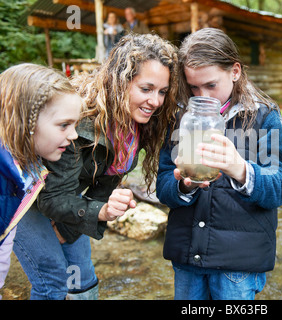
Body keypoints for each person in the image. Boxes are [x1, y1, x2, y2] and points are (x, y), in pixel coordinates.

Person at [12, 33, 179, 300]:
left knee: (83, 281)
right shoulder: (79, 124)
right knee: (52, 280)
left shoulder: (133, 129)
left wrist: (67, 229)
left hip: (66, 195)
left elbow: (102, 187)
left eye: (162, 91)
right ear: (120, 81)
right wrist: (100, 213)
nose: (156, 101)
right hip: (24, 195)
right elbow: (51, 198)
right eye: (146, 89)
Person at [156, 28, 282, 300]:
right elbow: (163, 186)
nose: (202, 95)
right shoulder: (181, 119)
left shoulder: (263, 117)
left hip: (238, 265)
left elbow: (280, 188)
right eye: (193, 87)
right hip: (187, 260)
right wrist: (182, 186)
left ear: (235, 71)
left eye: (211, 85)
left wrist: (240, 169)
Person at [0, 63, 81, 298]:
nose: (74, 135)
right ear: (26, 121)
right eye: (64, 125)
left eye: (74, 125)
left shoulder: (23, 174)